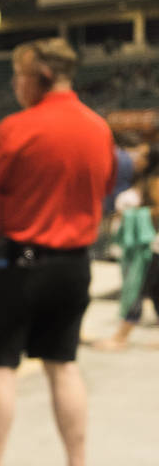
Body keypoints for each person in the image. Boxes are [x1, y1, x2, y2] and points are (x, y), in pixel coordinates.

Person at [0, 39, 116, 466]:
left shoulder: (17, 128)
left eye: (19, 74)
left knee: (1, 366)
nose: (15, 84)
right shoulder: (98, 128)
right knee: (63, 364)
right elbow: (103, 195)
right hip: (73, 264)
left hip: (18, 261)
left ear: (40, 76)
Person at [90, 150, 157, 352]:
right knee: (153, 291)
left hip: (150, 247)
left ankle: (121, 336)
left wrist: (131, 214)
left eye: (143, 155)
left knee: (136, 289)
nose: (137, 158)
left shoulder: (154, 181)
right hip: (148, 247)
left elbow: (156, 210)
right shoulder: (143, 180)